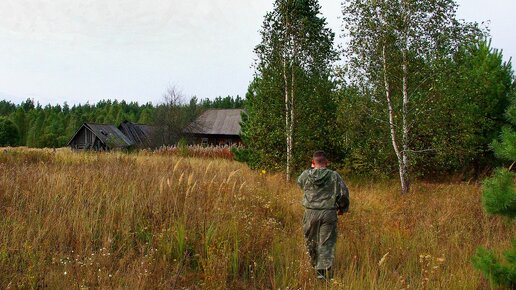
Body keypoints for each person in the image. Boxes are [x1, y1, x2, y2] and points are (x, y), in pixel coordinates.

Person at [297, 151, 349, 280]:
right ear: (327, 162)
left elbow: (300, 184)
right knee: (326, 243)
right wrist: (342, 208)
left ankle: (315, 267)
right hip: (328, 212)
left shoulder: (305, 175)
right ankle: (322, 274)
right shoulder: (334, 176)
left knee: (311, 241)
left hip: (310, 212)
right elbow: (343, 194)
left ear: (313, 163)